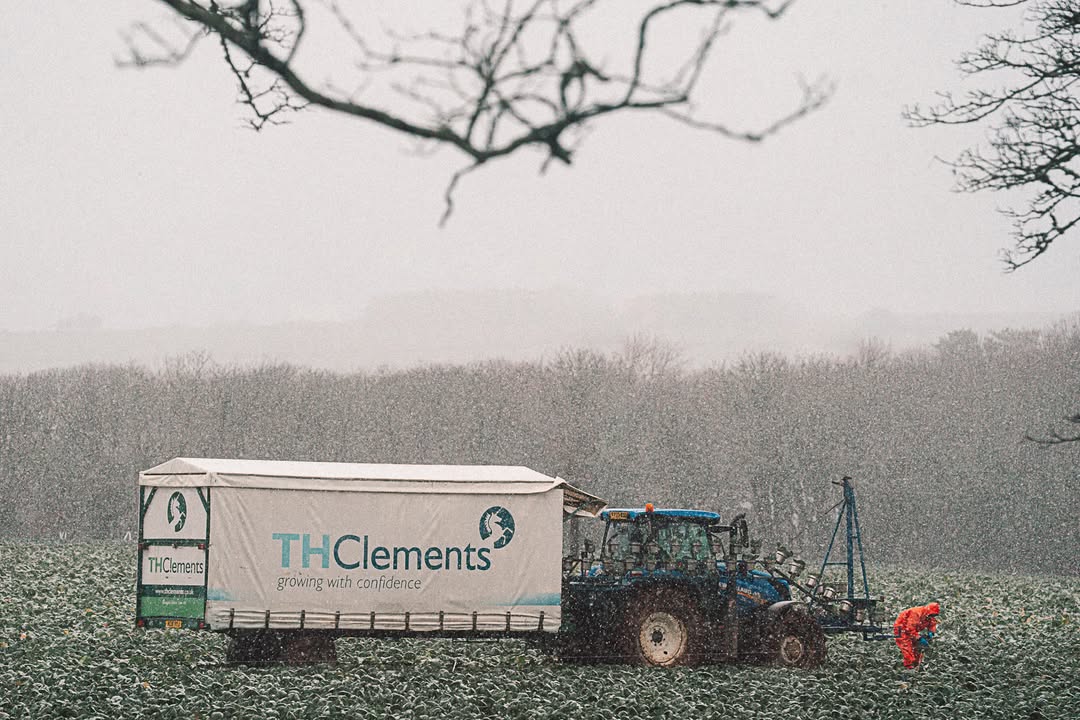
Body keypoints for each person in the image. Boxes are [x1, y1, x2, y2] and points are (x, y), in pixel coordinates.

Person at [894, 601, 940, 669]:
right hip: (901, 628)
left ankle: (916, 665)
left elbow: (932, 623)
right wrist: (919, 638)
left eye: (934, 615)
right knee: (907, 647)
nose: (932, 617)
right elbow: (909, 628)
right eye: (932, 615)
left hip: (912, 630)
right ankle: (908, 667)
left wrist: (931, 632)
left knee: (917, 647)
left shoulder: (929, 616)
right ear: (928, 611)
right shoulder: (916, 613)